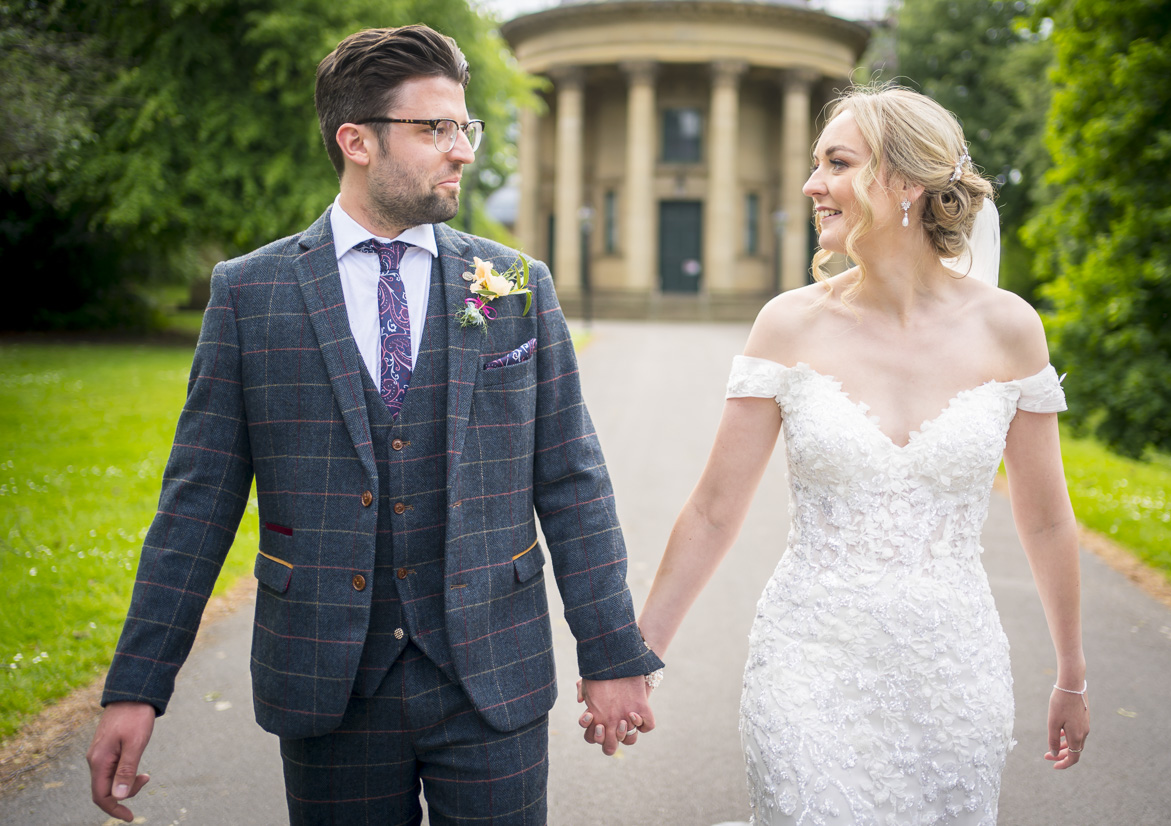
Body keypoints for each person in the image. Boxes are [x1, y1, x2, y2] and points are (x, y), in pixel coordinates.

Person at [86, 24, 661, 825]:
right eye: (434, 128)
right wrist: (136, 688)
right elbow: (197, 504)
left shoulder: (515, 286)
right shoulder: (250, 294)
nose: (461, 150)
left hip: (492, 679)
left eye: (466, 127)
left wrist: (612, 654)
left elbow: (571, 480)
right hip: (329, 684)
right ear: (356, 140)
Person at [623, 86, 1089, 824]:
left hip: (953, 674)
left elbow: (1047, 523)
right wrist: (636, 657)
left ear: (906, 183)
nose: (811, 185)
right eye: (816, 165)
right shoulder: (788, 325)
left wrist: (1071, 675)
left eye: (836, 164)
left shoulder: (1011, 330)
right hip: (808, 666)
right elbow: (713, 511)